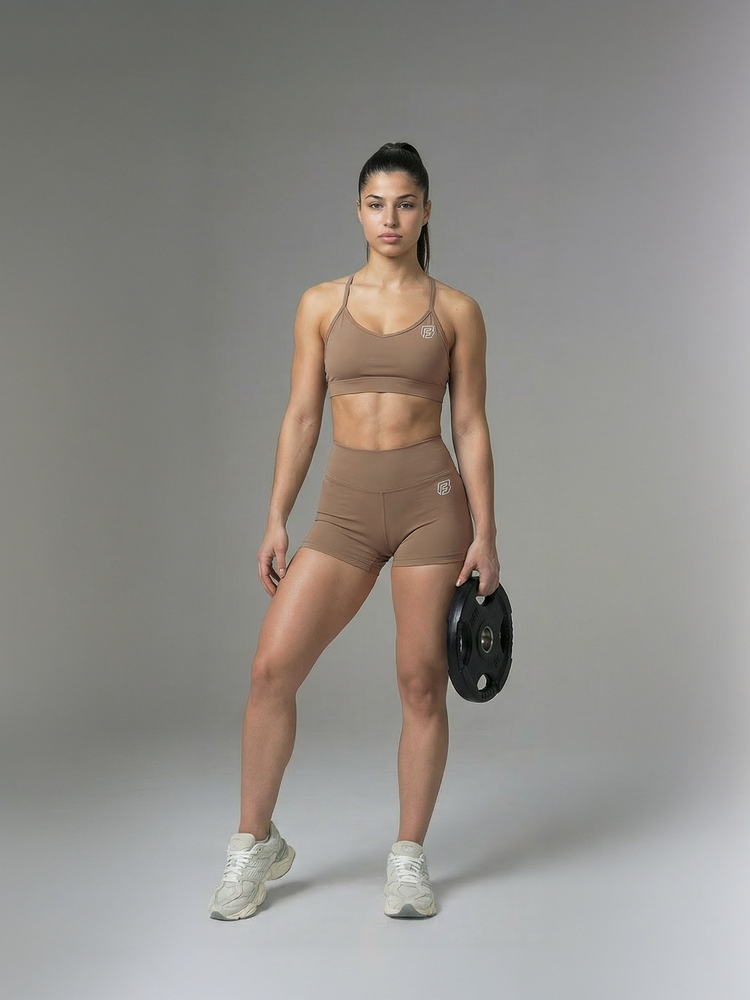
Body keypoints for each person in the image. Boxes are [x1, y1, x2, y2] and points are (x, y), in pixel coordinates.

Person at [208, 142, 500, 921]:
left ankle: (407, 858)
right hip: (344, 509)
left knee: (420, 682)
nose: (389, 218)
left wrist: (487, 533)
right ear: (358, 212)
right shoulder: (319, 304)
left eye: (405, 204)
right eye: (376, 204)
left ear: (427, 211)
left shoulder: (456, 311)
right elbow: (302, 416)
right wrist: (277, 515)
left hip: (432, 506)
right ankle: (255, 843)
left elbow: (470, 425)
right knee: (271, 670)